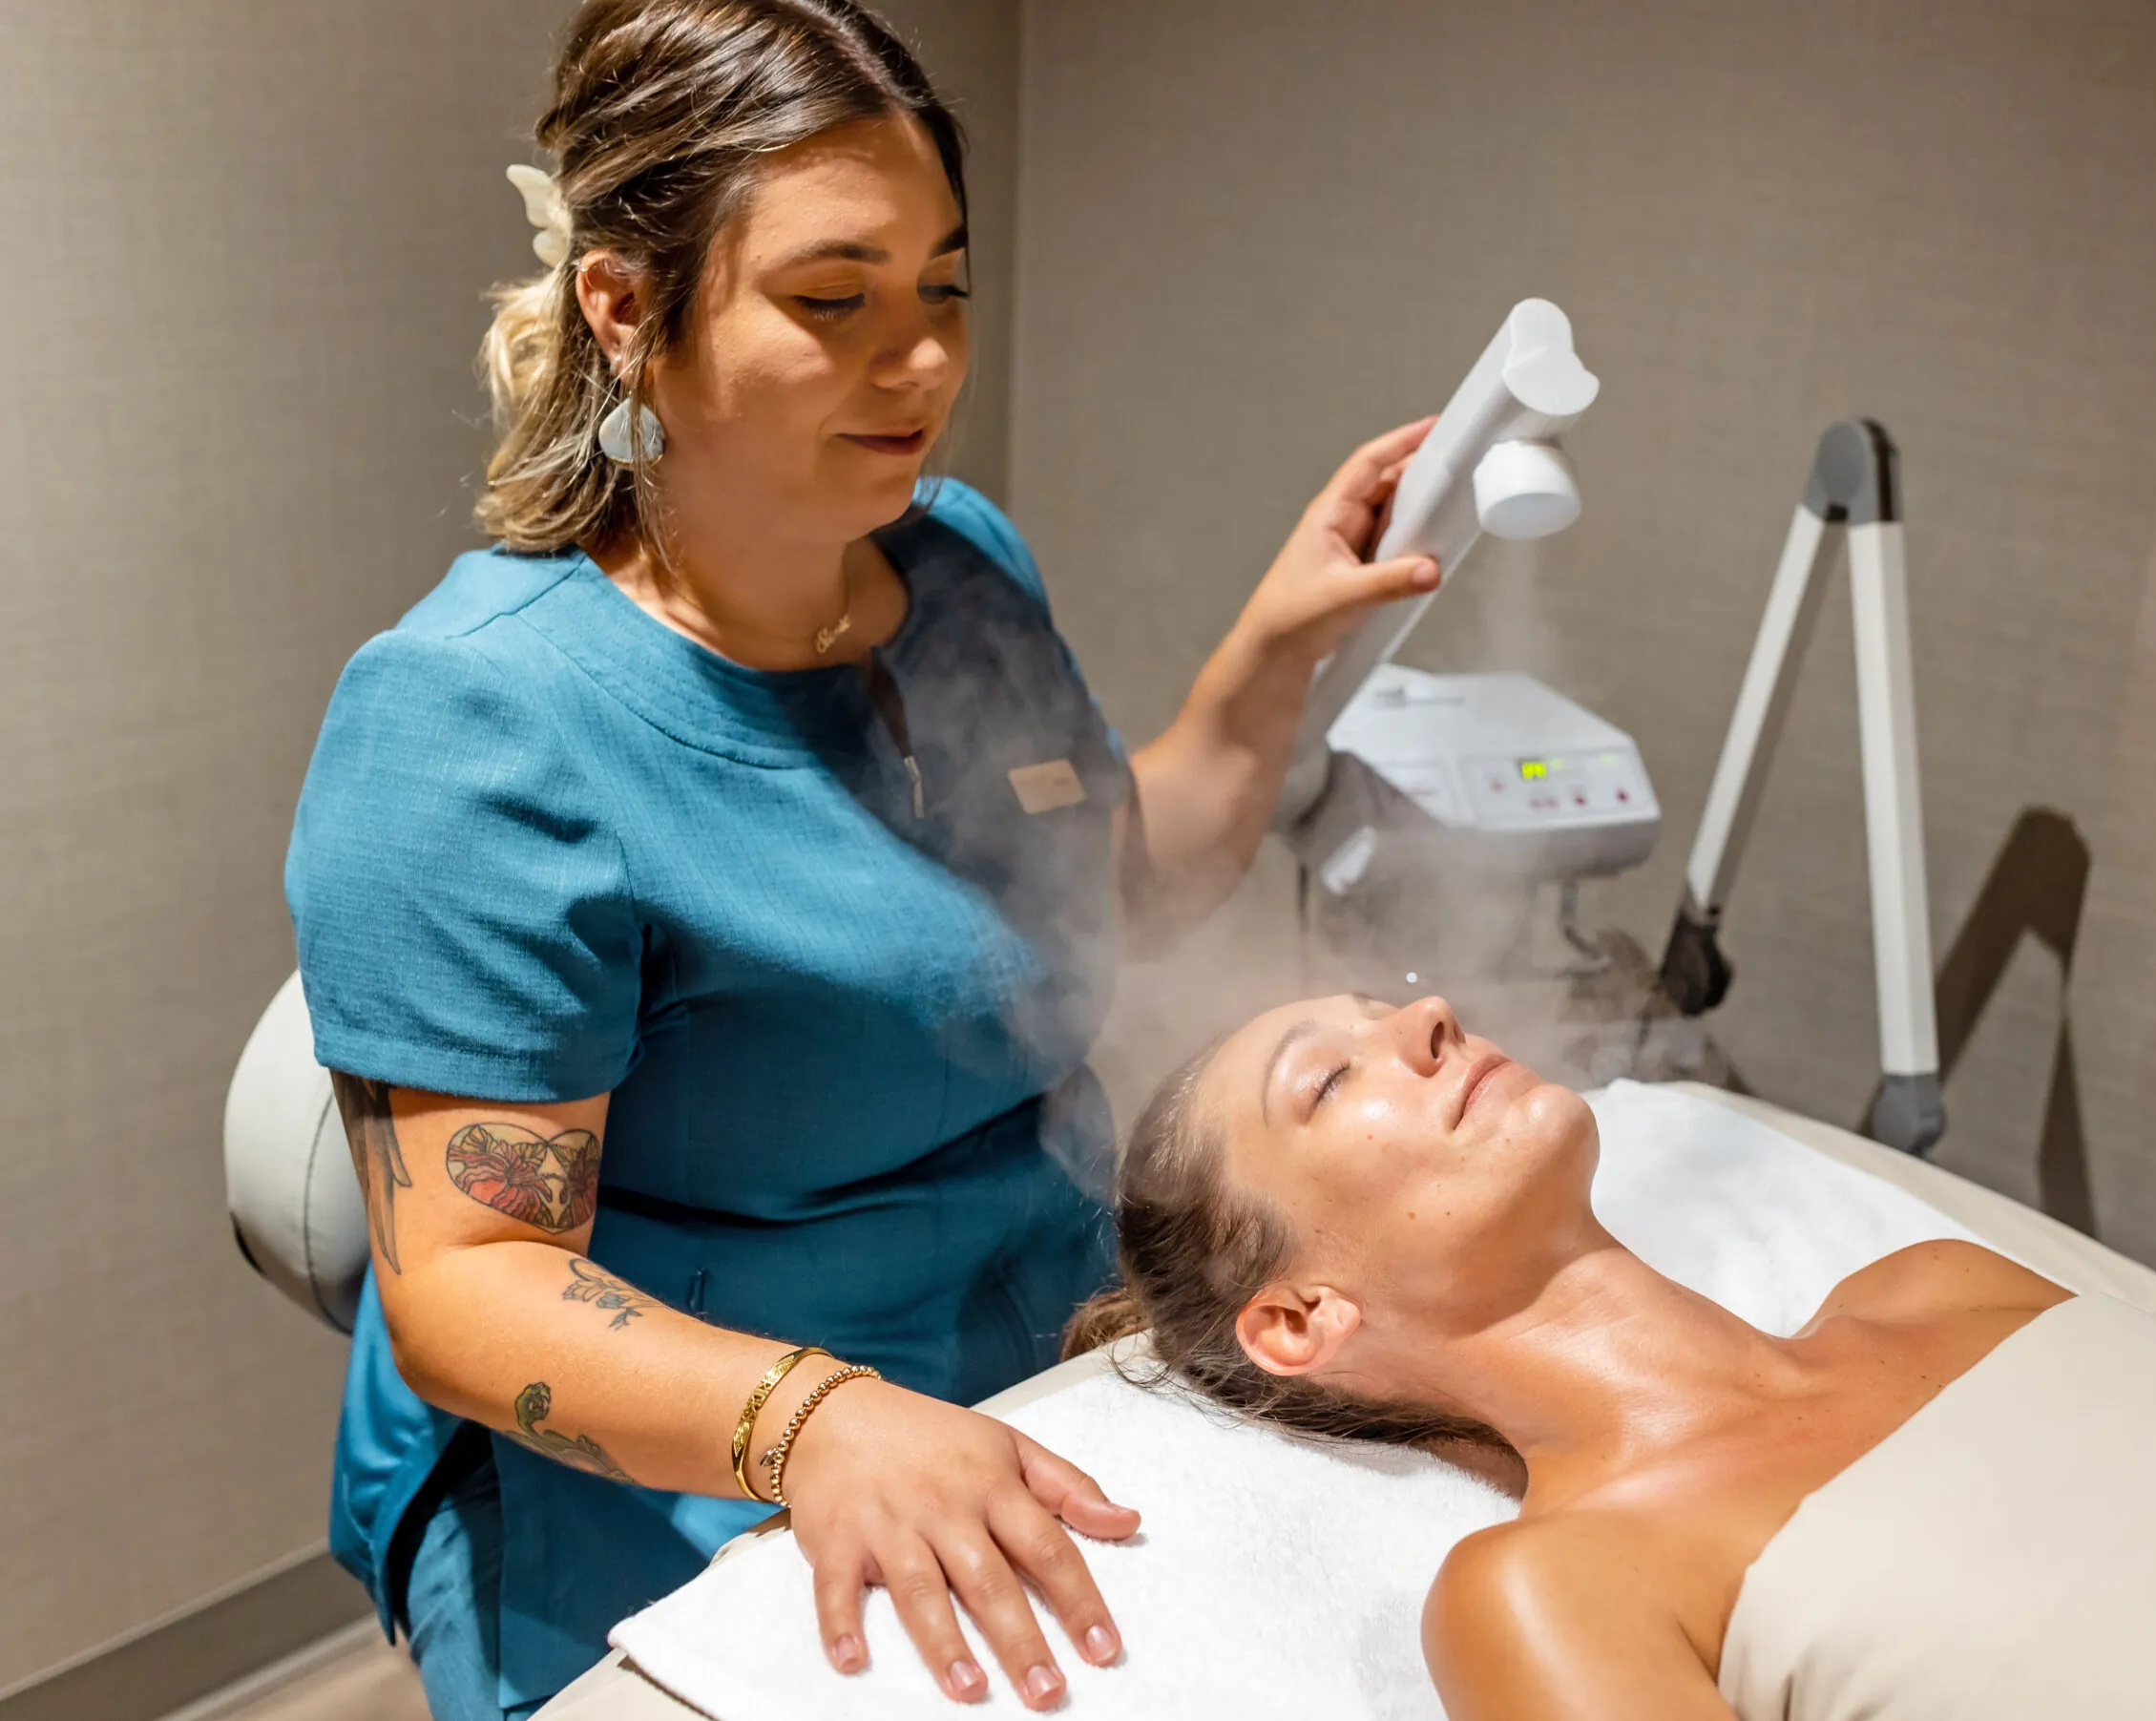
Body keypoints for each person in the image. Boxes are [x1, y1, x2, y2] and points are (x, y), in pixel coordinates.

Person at [283, 5, 1444, 1717]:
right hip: (692, 1443)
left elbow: (1104, 895)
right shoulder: (479, 724)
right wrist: (818, 1421)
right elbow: (471, 1286)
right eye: (834, 300)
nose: (923, 363)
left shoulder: (955, 563)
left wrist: (1280, 643)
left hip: (1039, 1357)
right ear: (625, 305)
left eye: (944, 285)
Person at [1067, 993, 2156, 1721]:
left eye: (1385, 1006)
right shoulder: (1549, 1585)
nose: (1424, 1017)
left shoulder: (1936, 1283)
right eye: (1328, 1077)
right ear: (1300, 1320)